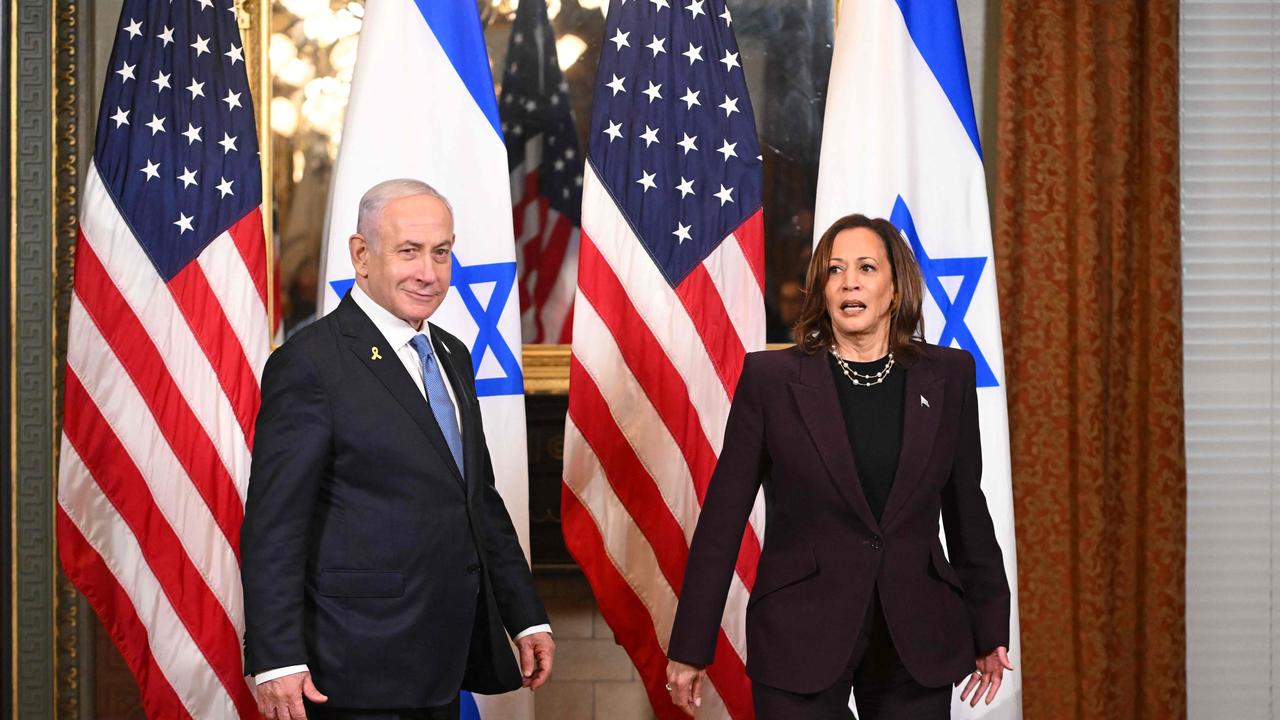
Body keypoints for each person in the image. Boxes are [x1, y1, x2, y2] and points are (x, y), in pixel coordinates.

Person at [665, 214, 1012, 719]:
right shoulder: (771, 381)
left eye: (866, 267)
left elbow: (967, 512)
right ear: (822, 292)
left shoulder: (948, 376)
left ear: (895, 289)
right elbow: (723, 519)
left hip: (915, 636)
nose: (849, 280)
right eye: (834, 270)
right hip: (799, 632)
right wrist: (691, 645)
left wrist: (988, 628)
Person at [241, 179, 555, 720]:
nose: (428, 273)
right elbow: (275, 525)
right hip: (354, 667)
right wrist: (275, 657)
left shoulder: (452, 355)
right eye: (408, 251)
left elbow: (477, 498)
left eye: (441, 252)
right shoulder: (311, 364)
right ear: (361, 255)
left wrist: (525, 616)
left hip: (446, 657)